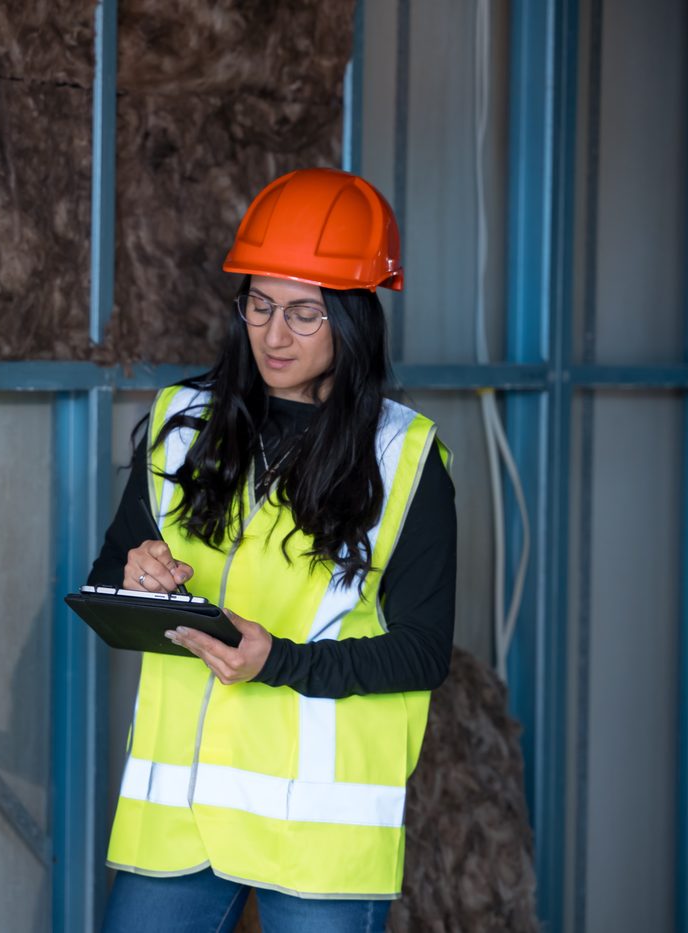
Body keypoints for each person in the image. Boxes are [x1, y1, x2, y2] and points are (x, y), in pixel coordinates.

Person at [90, 168, 456, 933]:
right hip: (177, 824)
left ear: (354, 319)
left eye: (303, 314)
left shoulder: (404, 458)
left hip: (316, 837)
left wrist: (279, 661)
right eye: (258, 305)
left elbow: (422, 652)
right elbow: (107, 580)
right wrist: (137, 578)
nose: (274, 334)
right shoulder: (182, 423)